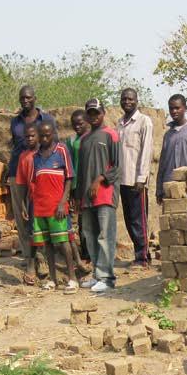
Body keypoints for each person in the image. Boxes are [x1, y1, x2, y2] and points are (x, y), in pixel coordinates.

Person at [17, 122, 78, 292]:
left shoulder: (62, 150)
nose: (44, 138)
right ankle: (53, 279)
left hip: (56, 206)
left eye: (47, 135)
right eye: (41, 135)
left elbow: (69, 177)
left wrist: (62, 202)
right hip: (39, 206)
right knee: (47, 244)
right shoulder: (35, 157)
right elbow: (32, 183)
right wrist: (26, 204)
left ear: (53, 134)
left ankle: (72, 278)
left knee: (63, 242)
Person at [4, 85, 57, 272]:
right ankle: (30, 258)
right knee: (22, 216)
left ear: (35, 98)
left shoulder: (47, 119)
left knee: (40, 213)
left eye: (28, 98)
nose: (25, 101)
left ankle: (43, 256)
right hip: (18, 172)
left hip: (41, 171)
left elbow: (54, 145)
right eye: (22, 98)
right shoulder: (15, 122)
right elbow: (15, 146)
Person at [74, 98, 121, 293]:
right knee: (90, 237)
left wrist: (99, 179)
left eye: (96, 113)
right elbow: (81, 170)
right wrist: (78, 195)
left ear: (103, 113)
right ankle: (96, 274)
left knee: (105, 236)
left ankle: (107, 278)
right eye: (90, 113)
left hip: (105, 195)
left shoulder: (111, 135)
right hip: (87, 197)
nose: (93, 116)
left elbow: (117, 166)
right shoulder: (84, 139)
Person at [116, 88, 154, 267]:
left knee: (139, 220)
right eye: (124, 99)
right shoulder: (120, 123)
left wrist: (142, 177)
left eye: (130, 99)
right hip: (123, 179)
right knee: (129, 219)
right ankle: (142, 253)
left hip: (136, 180)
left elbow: (146, 151)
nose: (127, 102)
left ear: (137, 100)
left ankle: (142, 257)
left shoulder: (144, 121)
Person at [156, 94, 187, 204]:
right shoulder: (168, 135)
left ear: (185, 108)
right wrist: (159, 189)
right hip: (169, 186)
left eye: (177, 108)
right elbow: (162, 164)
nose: (174, 111)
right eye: (171, 108)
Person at [65, 109, 92, 269]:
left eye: (80, 123)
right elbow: (69, 165)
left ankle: (95, 254)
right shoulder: (72, 140)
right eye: (74, 124)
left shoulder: (92, 138)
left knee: (93, 221)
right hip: (77, 186)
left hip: (91, 184)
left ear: (87, 122)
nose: (77, 127)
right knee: (82, 222)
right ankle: (86, 254)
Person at [14, 124, 40, 284]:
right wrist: (23, 203)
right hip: (33, 200)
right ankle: (31, 265)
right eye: (27, 137)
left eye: (33, 136)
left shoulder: (48, 153)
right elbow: (22, 183)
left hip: (49, 199)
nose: (30, 139)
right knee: (32, 232)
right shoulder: (24, 157)